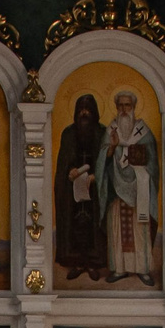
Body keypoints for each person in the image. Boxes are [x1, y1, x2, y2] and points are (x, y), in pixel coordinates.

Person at [94, 89, 159, 284]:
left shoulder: (144, 132)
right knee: (118, 230)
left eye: (127, 105)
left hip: (140, 189)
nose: (123, 110)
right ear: (116, 107)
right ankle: (119, 268)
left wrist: (142, 168)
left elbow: (154, 163)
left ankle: (142, 268)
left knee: (139, 230)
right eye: (120, 105)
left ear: (133, 107)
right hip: (116, 189)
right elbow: (101, 160)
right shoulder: (110, 131)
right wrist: (113, 147)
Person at [53, 94, 108, 280]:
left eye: (88, 109)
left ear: (94, 112)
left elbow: (106, 162)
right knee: (76, 224)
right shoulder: (69, 133)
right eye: (81, 109)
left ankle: (92, 263)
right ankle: (76, 262)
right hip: (73, 190)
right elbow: (64, 161)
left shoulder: (102, 133)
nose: (85, 113)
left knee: (93, 226)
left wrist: (96, 176)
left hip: (95, 188)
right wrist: (70, 171)